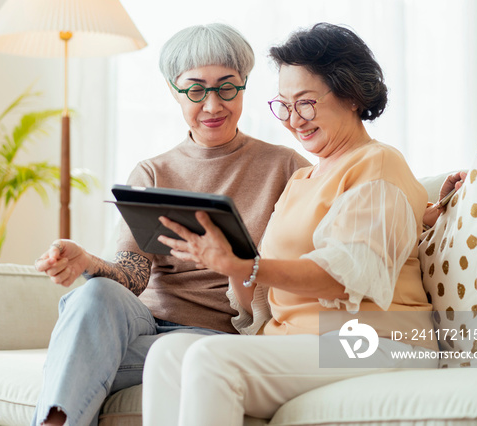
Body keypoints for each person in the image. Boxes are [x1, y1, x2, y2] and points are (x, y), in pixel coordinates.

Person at [141, 23, 446, 426]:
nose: (294, 120)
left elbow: (345, 275)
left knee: (211, 359)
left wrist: (242, 266)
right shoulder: (303, 179)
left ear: (351, 95)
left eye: (305, 102)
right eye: (284, 105)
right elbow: (264, 293)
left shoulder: (376, 162)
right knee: (168, 353)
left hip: (376, 341)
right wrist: (230, 265)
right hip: (303, 338)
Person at [30, 23, 310, 426]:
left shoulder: (285, 167)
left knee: (76, 355)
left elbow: (337, 216)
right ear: (174, 91)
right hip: (141, 324)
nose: (212, 105)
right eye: (196, 90)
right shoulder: (152, 172)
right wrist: (87, 261)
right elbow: (131, 276)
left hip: (214, 337)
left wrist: (415, 208)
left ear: (245, 85)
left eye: (227, 87)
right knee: (93, 297)